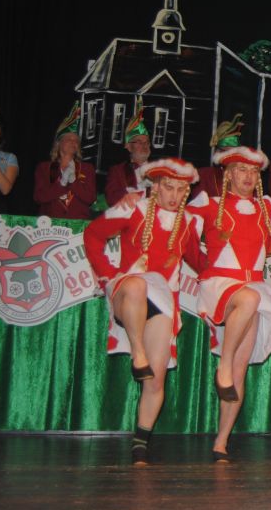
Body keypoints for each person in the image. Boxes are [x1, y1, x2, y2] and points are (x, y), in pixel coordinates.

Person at [83, 158, 201, 464]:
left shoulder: (187, 222)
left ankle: (141, 441)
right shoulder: (133, 207)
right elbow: (93, 234)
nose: (174, 195)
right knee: (137, 284)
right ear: (155, 187)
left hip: (163, 300)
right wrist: (107, 275)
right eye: (169, 188)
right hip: (128, 290)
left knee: (156, 380)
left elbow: (199, 262)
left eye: (181, 190)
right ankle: (138, 353)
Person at [187, 115, 271, 462]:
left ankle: (221, 440)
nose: (248, 176)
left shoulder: (269, 208)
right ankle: (223, 365)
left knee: (242, 366)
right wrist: (204, 269)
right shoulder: (208, 203)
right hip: (221, 283)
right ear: (227, 173)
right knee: (250, 299)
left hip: (251, 287)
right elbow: (181, 234)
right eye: (241, 170)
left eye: (254, 172)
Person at [33, 102, 97, 219]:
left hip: (78, 223)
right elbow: (39, 197)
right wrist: (61, 184)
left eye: (76, 140)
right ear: (59, 143)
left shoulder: (87, 168)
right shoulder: (44, 167)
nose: (73, 142)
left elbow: (90, 198)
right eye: (69, 139)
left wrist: (73, 181)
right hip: (50, 223)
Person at [105, 98, 152, 207]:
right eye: (139, 142)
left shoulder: (161, 169)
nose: (144, 145)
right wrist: (134, 196)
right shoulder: (117, 171)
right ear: (128, 146)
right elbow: (111, 198)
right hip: (127, 214)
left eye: (147, 142)